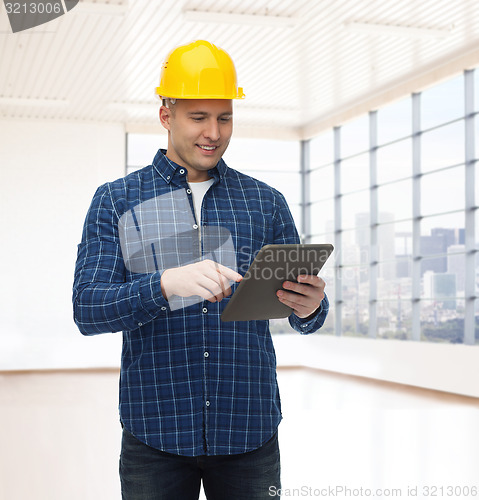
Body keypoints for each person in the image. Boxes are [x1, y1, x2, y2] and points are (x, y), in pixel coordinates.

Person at [73, 40, 329, 500]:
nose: (214, 132)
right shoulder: (117, 200)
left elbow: (304, 311)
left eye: (224, 117)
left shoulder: (263, 203)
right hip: (155, 433)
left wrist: (310, 308)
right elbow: (88, 309)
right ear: (166, 115)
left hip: (249, 430)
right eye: (198, 117)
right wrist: (164, 286)